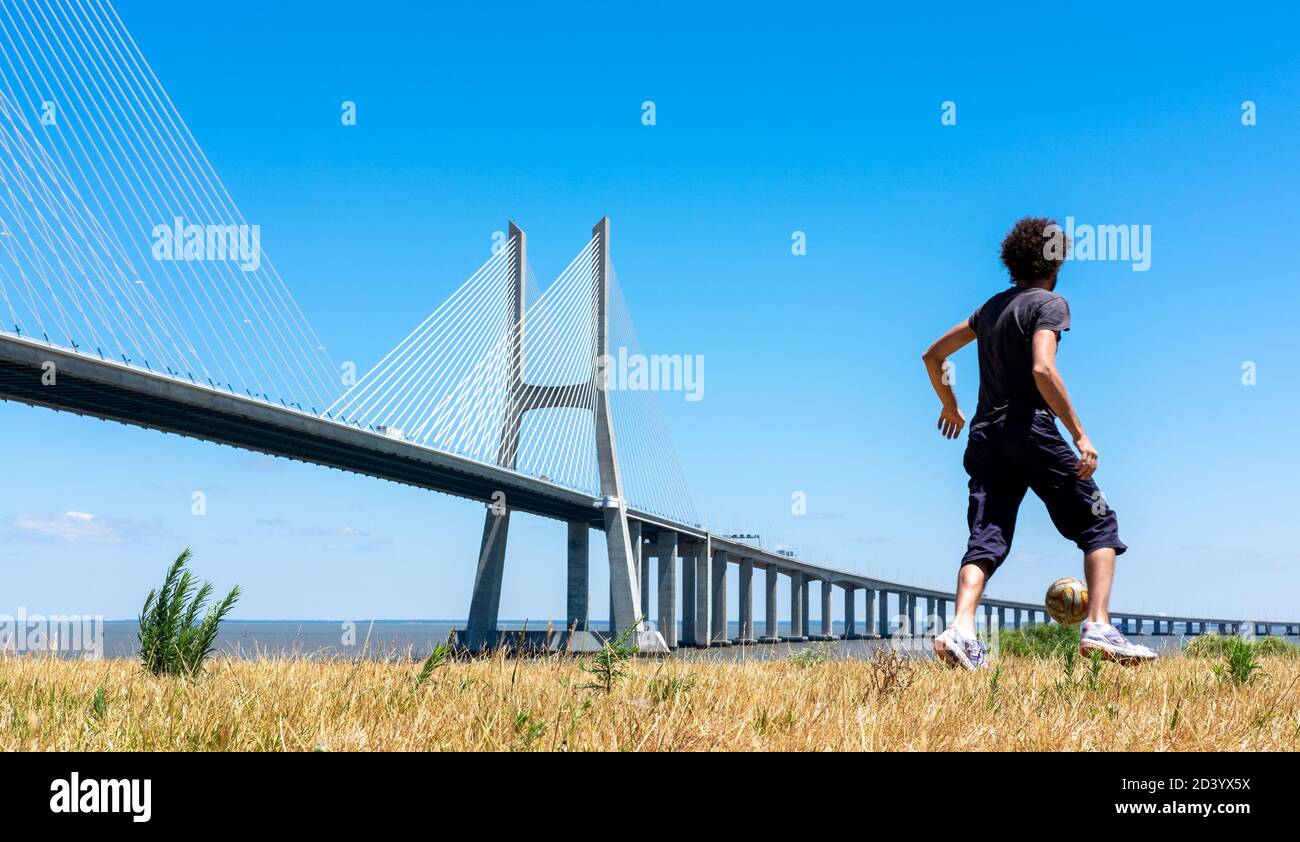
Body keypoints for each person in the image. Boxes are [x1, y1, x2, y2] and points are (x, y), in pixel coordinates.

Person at [920, 216, 1155, 670]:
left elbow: (933, 354)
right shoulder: (1048, 304)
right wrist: (1079, 433)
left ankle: (961, 629)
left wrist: (950, 405)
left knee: (985, 540)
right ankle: (1099, 626)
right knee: (1099, 525)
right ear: (1055, 261)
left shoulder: (988, 310)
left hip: (986, 434)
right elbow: (1043, 369)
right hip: (1031, 429)